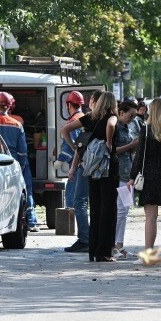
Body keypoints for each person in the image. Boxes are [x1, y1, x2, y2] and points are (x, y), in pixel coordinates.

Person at [128, 98, 161, 265]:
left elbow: (139, 156)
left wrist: (132, 176)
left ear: (151, 111)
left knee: (151, 217)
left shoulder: (145, 130)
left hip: (150, 174)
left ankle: (149, 256)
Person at [69, 92, 119, 262]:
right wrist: (109, 143)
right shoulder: (112, 116)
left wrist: (79, 150)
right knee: (108, 209)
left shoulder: (90, 117)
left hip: (91, 167)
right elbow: (111, 125)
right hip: (108, 166)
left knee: (95, 207)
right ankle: (104, 251)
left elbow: (64, 130)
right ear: (112, 103)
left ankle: (93, 250)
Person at [0, 91, 39, 232]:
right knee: (24, 192)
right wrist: (21, 166)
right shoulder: (17, 124)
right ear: (9, 107)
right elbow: (22, 151)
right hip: (13, 165)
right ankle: (30, 222)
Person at [61, 90, 103, 253]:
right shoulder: (112, 119)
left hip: (86, 165)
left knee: (80, 201)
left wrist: (72, 156)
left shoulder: (88, 119)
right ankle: (99, 238)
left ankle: (85, 239)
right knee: (99, 201)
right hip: (104, 167)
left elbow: (77, 142)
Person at [113, 100, 139, 259]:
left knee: (124, 211)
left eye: (134, 116)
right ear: (121, 113)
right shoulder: (115, 128)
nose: (132, 118)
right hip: (119, 174)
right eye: (130, 115)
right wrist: (131, 145)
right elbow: (112, 151)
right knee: (120, 211)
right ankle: (115, 245)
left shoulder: (126, 127)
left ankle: (119, 245)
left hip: (127, 174)